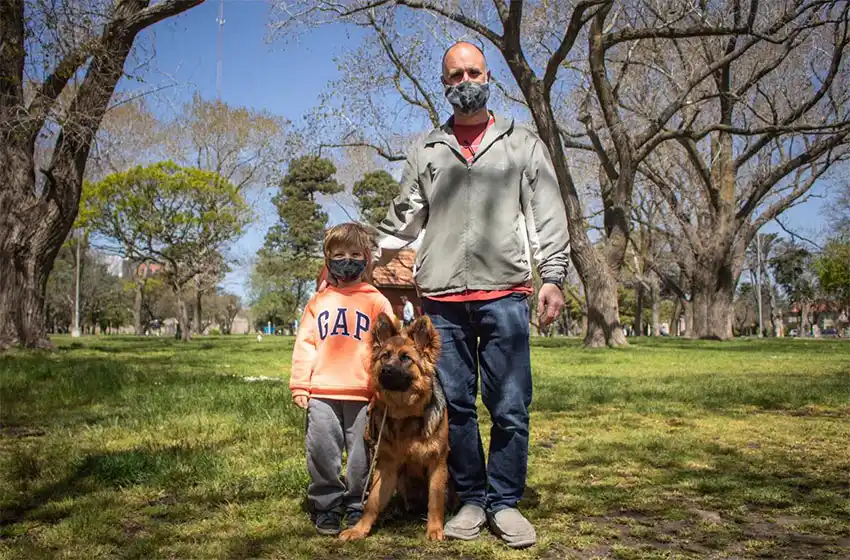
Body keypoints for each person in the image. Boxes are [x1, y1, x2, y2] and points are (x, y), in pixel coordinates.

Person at [372, 41, 570, 548]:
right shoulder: (427, 150)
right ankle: (473, 500)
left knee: (509, 405)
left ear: (489, 77)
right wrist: (361, 260)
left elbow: (548, 212)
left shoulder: (521, 143)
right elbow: (403, 216)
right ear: (444, 85)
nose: (465, 82)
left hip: (505, 293)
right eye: (455, 76)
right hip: (440, 299)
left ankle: (505, 503)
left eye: (473, 73)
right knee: (455, 406)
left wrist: (553, 276)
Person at [289, 223, 395, 536]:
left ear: (366, 259)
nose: (345, 260)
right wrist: (300, 384)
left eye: (353, 254)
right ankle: (326, 506)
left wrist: (382, 388)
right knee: (322, 451)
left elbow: (388, 347)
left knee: (362, 454)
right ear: (328, 260)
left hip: (364, 394)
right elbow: (305, 344)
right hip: (322, 392)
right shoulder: (318, 302)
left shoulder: (377, 301)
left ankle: (356, 505)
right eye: (338, 255)